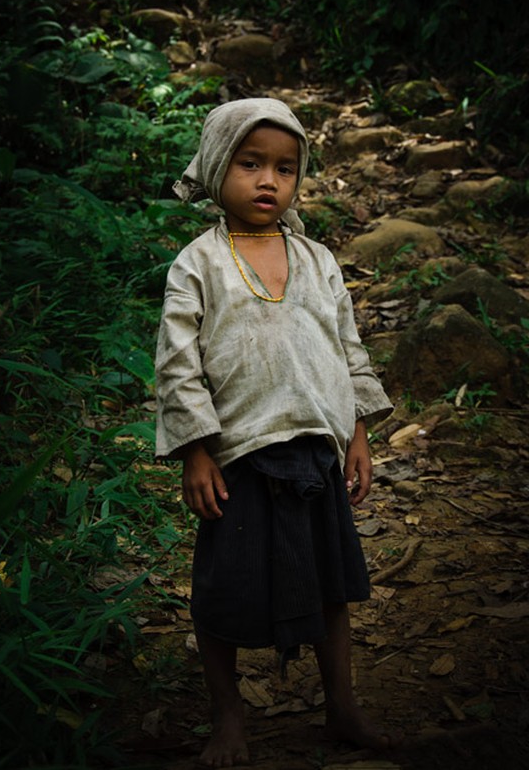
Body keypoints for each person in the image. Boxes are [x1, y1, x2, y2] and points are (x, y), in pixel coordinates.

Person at [155, 97, 395, 767]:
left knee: (331, 587)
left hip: (315, 450)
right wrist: (196, 450)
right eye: (250, 163)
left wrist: (356, 432)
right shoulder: (197, 264)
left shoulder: (317, 260)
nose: (269, 181)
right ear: (214, 168)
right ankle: (228, 716)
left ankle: (341, 706)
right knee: (223, 592)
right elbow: (177, 365)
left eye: (285, 168)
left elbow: (346, 347)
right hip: (240, 455)